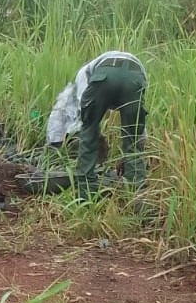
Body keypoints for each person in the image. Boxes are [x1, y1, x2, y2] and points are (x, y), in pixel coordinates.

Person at [46, 51, 147, 198]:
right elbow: (139, 127)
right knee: (133, 137)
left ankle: (86, 192)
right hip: (136, 75)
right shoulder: (140, 75)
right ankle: (137, 195)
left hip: (105, 75)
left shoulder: (84, 72)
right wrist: (129, 155)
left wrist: (93, 133)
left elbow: (84, 109)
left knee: (89, 131)